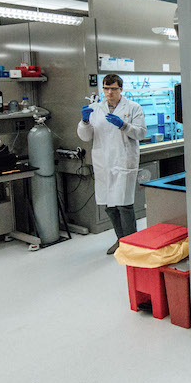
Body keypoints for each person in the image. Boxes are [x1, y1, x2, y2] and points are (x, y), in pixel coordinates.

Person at [78, 74, 147, 255]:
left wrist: (124, 125)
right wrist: (85, 121)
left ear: (121, 89)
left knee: (124, 205)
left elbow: (141, 133)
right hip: (103, 163)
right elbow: (85, 136)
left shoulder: (133, 107)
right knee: (109, 205)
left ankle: (132, 243)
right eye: (106, 89)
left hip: (124, 161)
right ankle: (121, 240)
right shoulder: (95, 109)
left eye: (113, 89)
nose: (109, 92)